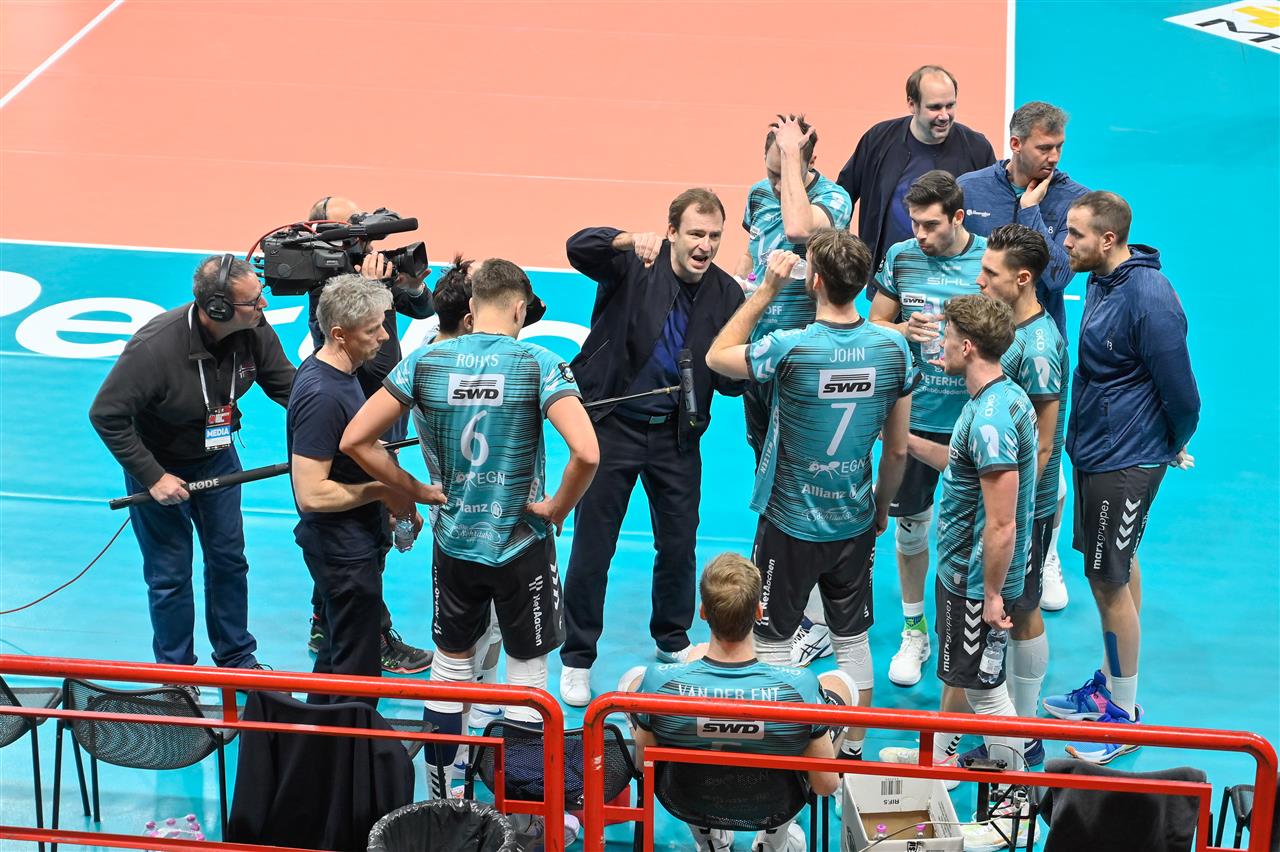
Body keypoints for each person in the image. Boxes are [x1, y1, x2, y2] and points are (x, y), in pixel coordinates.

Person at [341, 257, 599, 796]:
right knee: (527, 675)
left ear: (473, 306)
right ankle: (521, 806)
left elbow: (356, 441)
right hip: (521, 545)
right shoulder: (539, 362)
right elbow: (587, 453)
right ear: (520, 308)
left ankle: (444, 795)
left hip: (453, 543)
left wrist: (415, 489)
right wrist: (558, 508)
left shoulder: (423, 363)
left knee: (450, 667)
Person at [706, 230, 915, 760]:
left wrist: (765, 290)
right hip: (855, 519)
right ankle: (852, 749)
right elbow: (896, 451)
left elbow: (717, 356)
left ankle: (784, 747)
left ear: (814, 280)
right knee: (852, 640)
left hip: (790, 522)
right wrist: (880, 508)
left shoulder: (791, 347)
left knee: (774, 640)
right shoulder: (893, 347)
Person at [557, 189, 746, 707]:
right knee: (594, 547)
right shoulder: (633, 263)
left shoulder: (726, 293)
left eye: (714, 236)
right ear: (671, 232)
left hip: (676, 437)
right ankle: (577, 656)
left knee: (679, 545)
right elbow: (578, 247)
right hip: (613, 428)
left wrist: (752, 332)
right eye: (695, 234)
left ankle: (672, 639)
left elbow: (730, 385)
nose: (705, 245)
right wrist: (624, 239)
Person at [1042, 191, 1199, 764]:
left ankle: (1124, 715)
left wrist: (1170, 445)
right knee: (1117, 564)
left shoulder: (1150, 299)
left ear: (1108, 239)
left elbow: (1184, 394)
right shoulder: (1104, 280)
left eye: (1075, 234)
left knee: (1107, 581)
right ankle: (1109, 685)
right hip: (1096, 450)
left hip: (1126, 459)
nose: (1066, 243)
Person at [89, 254, 295, 678]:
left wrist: (343, 425)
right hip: (159, 466)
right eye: (254, 301)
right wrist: (152, 476)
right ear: (217, 309)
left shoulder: (254, 328)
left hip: (217, 456)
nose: (264, 306)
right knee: (169, 574)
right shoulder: (154, 348)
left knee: (229, 559)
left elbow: (288, 387)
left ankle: (236, 658)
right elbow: (106, 414)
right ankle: (176, 674)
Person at [879, 295, 1037, 796]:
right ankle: (942, 758)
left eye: (946, 337)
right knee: (958, 673)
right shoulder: (998, 398)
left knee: (985, 692)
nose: (939, 346)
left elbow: (1002, 523)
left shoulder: (990, 420)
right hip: (964, 574)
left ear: (966, 347)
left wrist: (990, 595)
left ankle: (1014, 794)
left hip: (976, 580)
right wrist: (903, 441)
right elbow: (961, 463)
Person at [621, 552, 857, 852]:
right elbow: (825, 785)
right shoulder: (800, 688)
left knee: (631, 681)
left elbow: (644, 764)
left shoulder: (659, 682)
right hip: (775, 802)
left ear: (703, 611)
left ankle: (710, 840)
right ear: (758, 612)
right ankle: (773, 842)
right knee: (842, 683)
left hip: (687, 796)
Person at [957, 104, 1088, 611]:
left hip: (1036, 353)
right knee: (987, 449)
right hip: (980, 349)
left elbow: (1057, 275)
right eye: (1044, 147)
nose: (1054, 157)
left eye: (1059, 147)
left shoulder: (1072, 199)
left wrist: (1031, 211)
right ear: (1015, 144)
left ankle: (1043, 552)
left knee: (1043, 457)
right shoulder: (972, 188)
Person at [303, 196, 436, 675]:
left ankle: (327, 622)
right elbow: (353, 349)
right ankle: (369, 635)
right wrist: (370, 287)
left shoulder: (369, 268)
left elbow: (424, 307)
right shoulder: (327, 283)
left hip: (383, 416)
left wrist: (408, 286)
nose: (358, 237)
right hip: (359, 417)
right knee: (360, 540)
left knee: (362, 537)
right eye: (347, 229)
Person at [867, 170, 986, 688]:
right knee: (911, 526)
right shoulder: (901, 257)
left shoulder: (989, 261)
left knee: (974, 534)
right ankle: (915, 631)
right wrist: (901, 329)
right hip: (915, 419)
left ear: (958, 217)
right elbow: (873, 324)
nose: (919, 234)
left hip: (971, 422)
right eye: (913, 222)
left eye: (930, 225)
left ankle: (973, 631)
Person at [963, 223, 1068, 768]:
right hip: (1007, 500)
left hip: (1026, 506)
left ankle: (1024, 736)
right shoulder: (1010, 328)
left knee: (1021, 612)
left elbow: (1044, 444)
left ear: (1023, 279)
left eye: (990, 273)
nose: (980, 280)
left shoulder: (1040, 347)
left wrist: (1014, 514)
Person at [287, 274, 417, 704]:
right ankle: (353, 739)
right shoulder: (323, 395)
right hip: (341, 552)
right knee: (356, 670)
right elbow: (311, 494)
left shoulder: (345, 376)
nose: (384, 337)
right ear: (340, 334)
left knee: (337, 653)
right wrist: (381, 491)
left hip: (353, 543)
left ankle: (322, 735)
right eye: (373, 330)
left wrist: (398, 494)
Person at [735, 114, 854, 460]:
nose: (776, 184)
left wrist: (790, 158)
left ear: (810, 161)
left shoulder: (834, 199)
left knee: (801, 453)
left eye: (785, 171)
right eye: (772, 172)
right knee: (761, 450)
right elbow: (751, 250)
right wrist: (738, 288)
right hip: (760, 347)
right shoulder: (758, 194)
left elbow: (798, 229)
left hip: (806, 354)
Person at [835, 65, 996, 291]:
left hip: (956, 282)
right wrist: (840, 252)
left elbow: (992, 208)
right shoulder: (878, 140)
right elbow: (843, 197)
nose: (944, 116)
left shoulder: (977, 148)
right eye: (935, 107)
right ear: (912, 104)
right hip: (890, 278)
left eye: (950, 105)